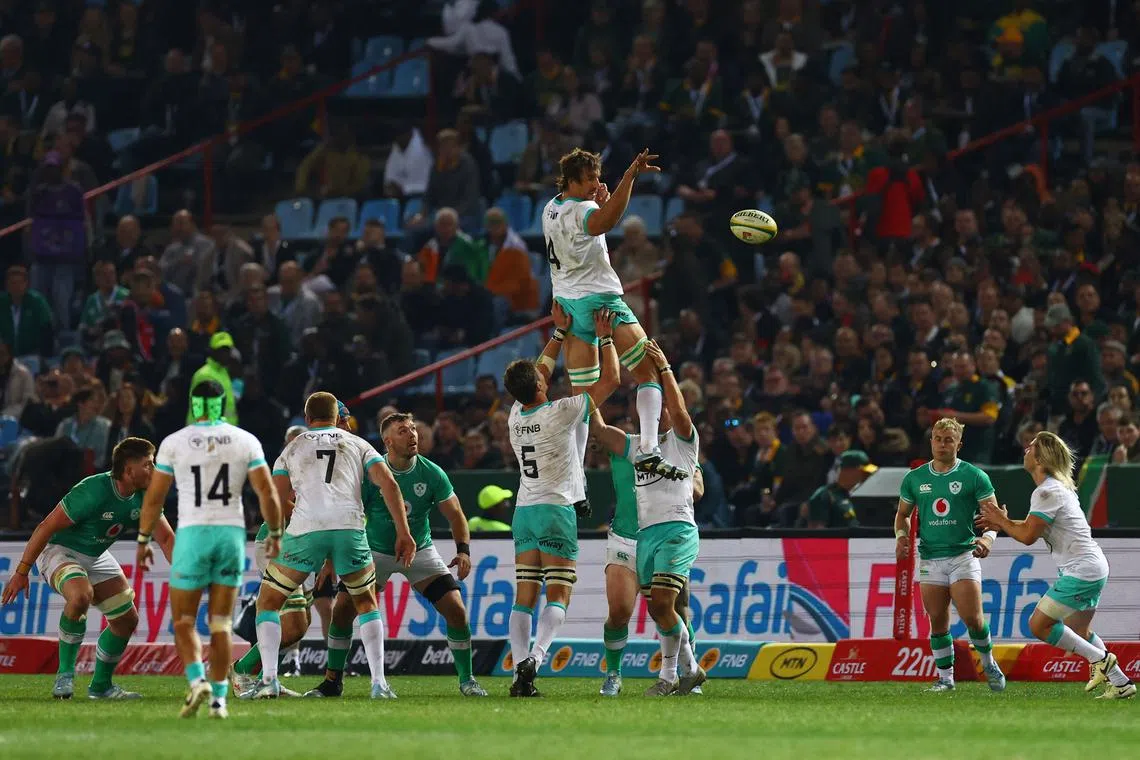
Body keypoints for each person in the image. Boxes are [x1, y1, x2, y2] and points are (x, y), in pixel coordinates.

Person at [242, 392, 414, 701]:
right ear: (337, 417)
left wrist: (278, 535)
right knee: (366, 603)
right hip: (349, 528)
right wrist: (404, 532)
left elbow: (274, 498)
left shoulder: (293, 447)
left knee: (268, 602)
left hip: (306, 530)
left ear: (308, 419)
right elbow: (389, 484)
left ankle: (268, 680)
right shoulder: (359, 444)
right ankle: (379, 684)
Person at [308, 411, 488, 698]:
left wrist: (463, 551)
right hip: (375, 551)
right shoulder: (371, 473)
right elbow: (348, 515)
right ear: (388, 441)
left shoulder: (431, 473)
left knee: (457, 611)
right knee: (341, 613)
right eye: (403, 431)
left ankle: (468, 681)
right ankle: (332, 682)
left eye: (413, 428)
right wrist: (331, 558)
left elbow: (456, 515)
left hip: (419, 550)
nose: (413, 434)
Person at [136, 380, 282, 719]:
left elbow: (154, 498)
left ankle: (196, 680)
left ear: (193, 404)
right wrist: (275, 533)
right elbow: (267, 492)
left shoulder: (175, 442)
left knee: (184, 620)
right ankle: (219, 701)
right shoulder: (245, 440)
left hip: (193, 534)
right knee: (221, 623)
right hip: (230, 534)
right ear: (223, 403)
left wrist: (143, 540)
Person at [543, 146, 686, 480]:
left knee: (582, 398)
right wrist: (629, 177)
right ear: (571, 180)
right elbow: (601, 223)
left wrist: (600, 204)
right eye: (589, 179)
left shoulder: (550, 208)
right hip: (600, 302)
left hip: (567, 305)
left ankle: (575, 478)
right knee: (648, 371)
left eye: (598, 177)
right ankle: (649, 449)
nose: (596, 183)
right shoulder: (584, 209)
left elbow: (584, 235)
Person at [502, 306, 618, 697]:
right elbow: (612, 380)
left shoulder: (515, 416)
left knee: (524, 597)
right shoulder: (561, 412)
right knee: (559, 593)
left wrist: (558, 333)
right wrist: (605, 337)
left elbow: (539, 371)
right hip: (555, 509)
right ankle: (536, 657)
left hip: (524, 511)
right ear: (539, 385)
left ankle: (518, 674)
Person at [1, 438, 173, 700]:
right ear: (129, 470)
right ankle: (65, 675)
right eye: (149, 464)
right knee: (81, 595)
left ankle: (101, 687)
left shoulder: (148, 496)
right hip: (60, 550)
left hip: (95, 555)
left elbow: (167, 539)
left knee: (126, 621)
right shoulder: (93, 490)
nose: (155, 469)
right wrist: (22, 572)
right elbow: (46, 527)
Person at [976, 432, 1137, 700]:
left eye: (1031, 447)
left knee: (1038, 625)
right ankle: (1121, 683)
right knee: (1080, 631)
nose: (1026, 449)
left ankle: (1101, 659)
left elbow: (1028, 536)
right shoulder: (1055, 488)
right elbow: (1032, 527)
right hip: (1092, 566)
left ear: (1040, 459)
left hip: (1082, 570)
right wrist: (1004, 523)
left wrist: (1002, 522)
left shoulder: (1046, 491)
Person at [592, 340, 706, 696]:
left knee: (667, 604)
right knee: (659, 608)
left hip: (677, 530)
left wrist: (666, 370)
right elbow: (600, 432)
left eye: (663, 409)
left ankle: (680, 673)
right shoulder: (635, 447)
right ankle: (680, 675)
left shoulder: (684, 442)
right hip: (645, 535)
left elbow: (680, 410)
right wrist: (584, 389)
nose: (658, 415)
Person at [894, 417, 1006, 693]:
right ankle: (946, 679)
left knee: (973, 619)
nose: (942, 444)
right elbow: (902, 515)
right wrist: (902, 536)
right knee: (937, 621)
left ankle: (989, 663)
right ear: (931, 441)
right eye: (937, 439)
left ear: (959, 444)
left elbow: (995, 518)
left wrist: (988, 539)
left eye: (948, 440)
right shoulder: (915, 478)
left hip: (963, 555)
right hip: (930, 557)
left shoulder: (974, 476)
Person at [229, 425, 315, 698]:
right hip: (279, 542)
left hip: (306, 545)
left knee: (300, 624)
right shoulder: (292, 464)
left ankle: (267, 680)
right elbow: (276, 501)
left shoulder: (324, 463)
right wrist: (312, 518)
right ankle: (244, 670)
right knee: (292, 625)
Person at [186, 332, 238, 425]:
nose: (226, 354)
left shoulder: (224, 372)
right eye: (221, 350)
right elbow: (199, 411)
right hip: (208, 430)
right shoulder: (204, 375)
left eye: (227, 350)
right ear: (212, 351)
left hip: (226, 429)